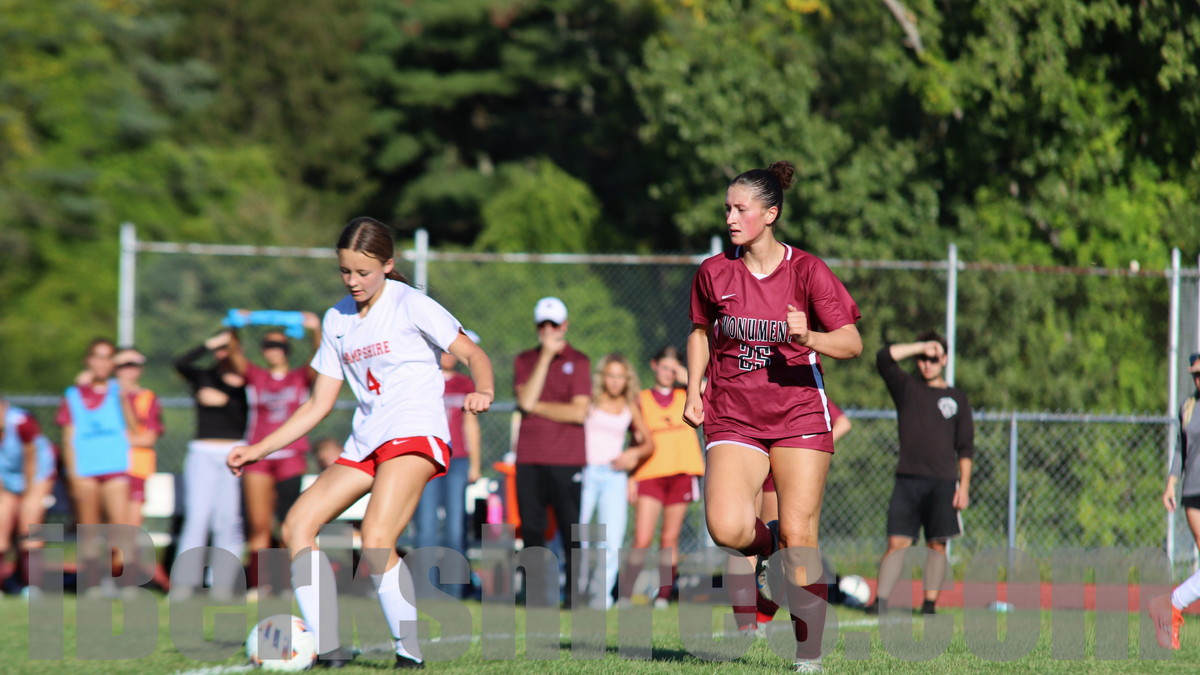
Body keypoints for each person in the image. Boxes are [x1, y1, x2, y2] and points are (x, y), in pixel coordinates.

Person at [227, 216, 494, 669]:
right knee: (297, 526)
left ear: (387, 265)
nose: (353, 281)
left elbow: (473, 352)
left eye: (363, 272)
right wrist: (257, 449)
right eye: (345, 271)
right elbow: (317, 405)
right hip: (366, 442)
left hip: (414, 431)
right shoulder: (337, 319)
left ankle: (409, 653)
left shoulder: (411, 303)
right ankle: (328, 646)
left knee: (375, 538)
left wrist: (483, 389)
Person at [684, 161, 862, 674]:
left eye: (740, 209)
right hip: (733, 415)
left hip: (799, 413)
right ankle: (770, 545)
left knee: (800, 539)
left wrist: (809, 337)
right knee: (726, 527)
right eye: (727, 208)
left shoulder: (807, 271)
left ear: (770, 214)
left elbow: (851, 342)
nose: (730, 218)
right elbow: (700, 332)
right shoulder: (713, 272)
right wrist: (694, 387)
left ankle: (808, 656)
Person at [864, 332, 974, 616]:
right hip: (908, 481)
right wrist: (921, 346)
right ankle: (880, 602)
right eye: (923, 358)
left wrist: (963, 488)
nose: (927, 363)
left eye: (933, 358)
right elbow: (883, 358)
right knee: (897, 543)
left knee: (937, 545)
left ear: (945, 360)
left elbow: (965, 448)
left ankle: (929, 605)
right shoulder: (907, 389)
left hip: (943, 483)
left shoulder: (957, 399)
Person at [227, 313, 321, 596]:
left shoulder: (298, 377)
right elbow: (234, 355)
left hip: (291, 458)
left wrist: (315, 331)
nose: (273, 350)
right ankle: (259, 583)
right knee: (258, 525)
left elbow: (320, 359)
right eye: (268, 345)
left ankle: (285, 583)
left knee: (289, 524)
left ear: (287, 350)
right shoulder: (257, 377)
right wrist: (235, 327)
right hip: (258, 458)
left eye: (279, 345)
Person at [513, 296, 591, 607]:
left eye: (554, 324)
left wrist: (537, 408)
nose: (548, 330)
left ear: (565, 326)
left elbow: (579, 412)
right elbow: (525, 401)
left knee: (571, 530)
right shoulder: (525, 360)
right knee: (532, 530)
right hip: (529, 457)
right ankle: (534, 594)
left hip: (566, 459)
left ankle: (573, 596)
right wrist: (545, 358)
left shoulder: (580, 361)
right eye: (543, 324)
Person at [751, 402, 851, 628]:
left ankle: (760, 619)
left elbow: (843, 423)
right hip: (751, 451)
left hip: (784, 461)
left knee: (787, 546)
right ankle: (752, 618)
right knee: (741, 534)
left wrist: (815, 452)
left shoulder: (803, 391)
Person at [622, 346, 704, 609]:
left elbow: (712, 390)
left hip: (681, 473)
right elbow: (634, 440)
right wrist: (631, 477)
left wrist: (687, 377)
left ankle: (663, 596)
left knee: (669, 539)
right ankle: (624, 595)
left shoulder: (687, 395)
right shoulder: (641, 399)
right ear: (654, 365)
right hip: (650, 474)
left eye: (674, 368)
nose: (668, 373)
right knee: (642, 538)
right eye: (664, 367)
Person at [171, 329, 248, 598]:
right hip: (202, 452)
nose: (223, 353)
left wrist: (226, 401)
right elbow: (180, 363)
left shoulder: (248, 381)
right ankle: (183, 583)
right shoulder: (205, 376)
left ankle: (222, 583)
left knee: (229, 519)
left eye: (229, 347)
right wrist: (210, 342)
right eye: (219, 348)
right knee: (197, 516)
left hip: (236, 453)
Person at [58, 338, 134, 591]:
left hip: (115, 466)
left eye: (108, 357)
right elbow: (68, 438)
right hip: (85, 470)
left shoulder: (119, 391)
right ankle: (91, 584)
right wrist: (73, 475)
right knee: (89, 532)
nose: (102, 363)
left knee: (120, 530)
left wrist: (124, 398)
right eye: (98, 357)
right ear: (88, 360)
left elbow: (133, 428)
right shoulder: (73, 395)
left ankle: (121, 581)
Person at [578, 354, 653, 610]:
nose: (615, 381)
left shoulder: (630, 405)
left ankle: (601, 599)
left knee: (611, 540)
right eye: (610, 375)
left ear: (627, 379)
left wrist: (632, 453)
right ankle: (577, 591)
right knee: (580, 537)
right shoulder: (590, 401)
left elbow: (649, 443)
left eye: (620, 376)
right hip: (586, 474)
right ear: (603, 377)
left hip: (613, 477)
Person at [412, 330, 483, 586]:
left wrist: (475, 464)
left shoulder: (465, 384)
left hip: (458, 460)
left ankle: (454, 587)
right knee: (426, 523)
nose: (449, 354)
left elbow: (470, 425)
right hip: (428, 458)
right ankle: (425, 586)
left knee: (455, 525)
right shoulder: (424, 378)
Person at [0, 397, 57, 593]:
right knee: (1, 520)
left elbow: (30, 460)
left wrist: (27, 495)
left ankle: (31, 584)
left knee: (29, 520)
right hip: (8, 478)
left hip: (37, 474)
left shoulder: (21, 423)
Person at [1162, 353, 1200, 553]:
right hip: (1193, 487)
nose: (1198, 379)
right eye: (1196, 375)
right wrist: (1171, 485)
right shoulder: (1188, 408)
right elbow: (1180, 449)